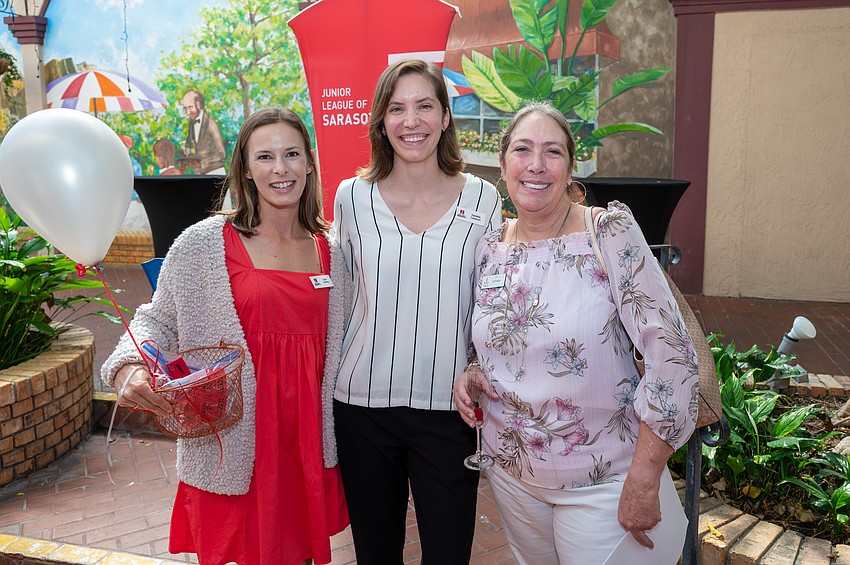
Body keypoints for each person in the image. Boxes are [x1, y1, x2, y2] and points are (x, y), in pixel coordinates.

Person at [453, 101, 698, 564]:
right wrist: (471, 370)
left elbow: (672, 356)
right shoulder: (490, 248)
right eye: (522, 150)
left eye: (553, 152)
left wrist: (645, 479)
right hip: (514, 477)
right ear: (503, 164)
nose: (536, 165)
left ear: (570, 167)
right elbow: (490, 340)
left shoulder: (608, 233)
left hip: (607, 481)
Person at [102, 108, 350, 565]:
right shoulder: (203, 244)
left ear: (309, 163)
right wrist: (129, 365)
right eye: (265, 157)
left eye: (292, 154)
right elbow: (156, 320)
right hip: (235, 435)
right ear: (246, 169)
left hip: (304, 440)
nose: (281, 168)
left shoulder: (333, 251)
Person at [332, 59, 502, 564]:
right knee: (375, 553)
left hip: (449, 412)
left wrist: (477, 365)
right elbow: (337, 297)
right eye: (397, 108)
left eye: (425, 106)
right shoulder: (352, 197)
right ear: (381, 122)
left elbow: (491, 305)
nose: (412, 121)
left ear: (446, 117)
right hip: (361, 406)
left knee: (449, 554)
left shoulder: (484, 199)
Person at [182, 89, 226, 175]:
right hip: (200, 175)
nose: (188, 112)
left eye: (190, 107)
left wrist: (202, 164)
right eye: (185, 108)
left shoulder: (211, 124)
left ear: (198, 105)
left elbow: (222, 154)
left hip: (215, 173)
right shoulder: (191, 124)